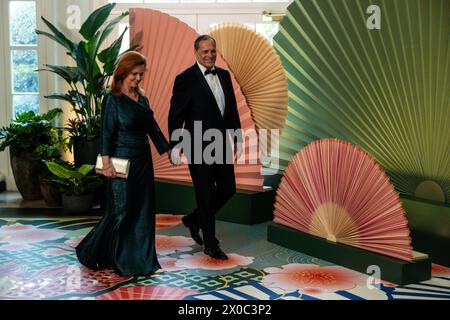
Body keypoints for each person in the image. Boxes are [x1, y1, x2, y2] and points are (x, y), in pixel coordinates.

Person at [76, 51, 170, 276]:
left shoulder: (143, 98)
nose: (138, 79)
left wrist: (169, 151)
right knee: (120, 212)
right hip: (120, 164)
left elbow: (153, 129)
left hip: (143, 162)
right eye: (134, 74)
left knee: (143, 211)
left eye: (141, 74)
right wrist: (106, 164)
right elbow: (106, 134)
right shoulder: (112, 99)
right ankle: (94, 251)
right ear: (123, 73)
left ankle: (139, 262)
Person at [168, 35, 242, 260]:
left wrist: (237, 137)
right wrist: (175, 145)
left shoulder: (225, 75)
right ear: (196, 53)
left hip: (220, 142)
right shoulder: (185, 78)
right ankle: (210, 243)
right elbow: (176, 114)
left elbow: (230, 110)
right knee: (206, 194)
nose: (209, 55)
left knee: (228, 188)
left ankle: (193, 218)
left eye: (212, 51)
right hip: (196, 144)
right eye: (204, 52)